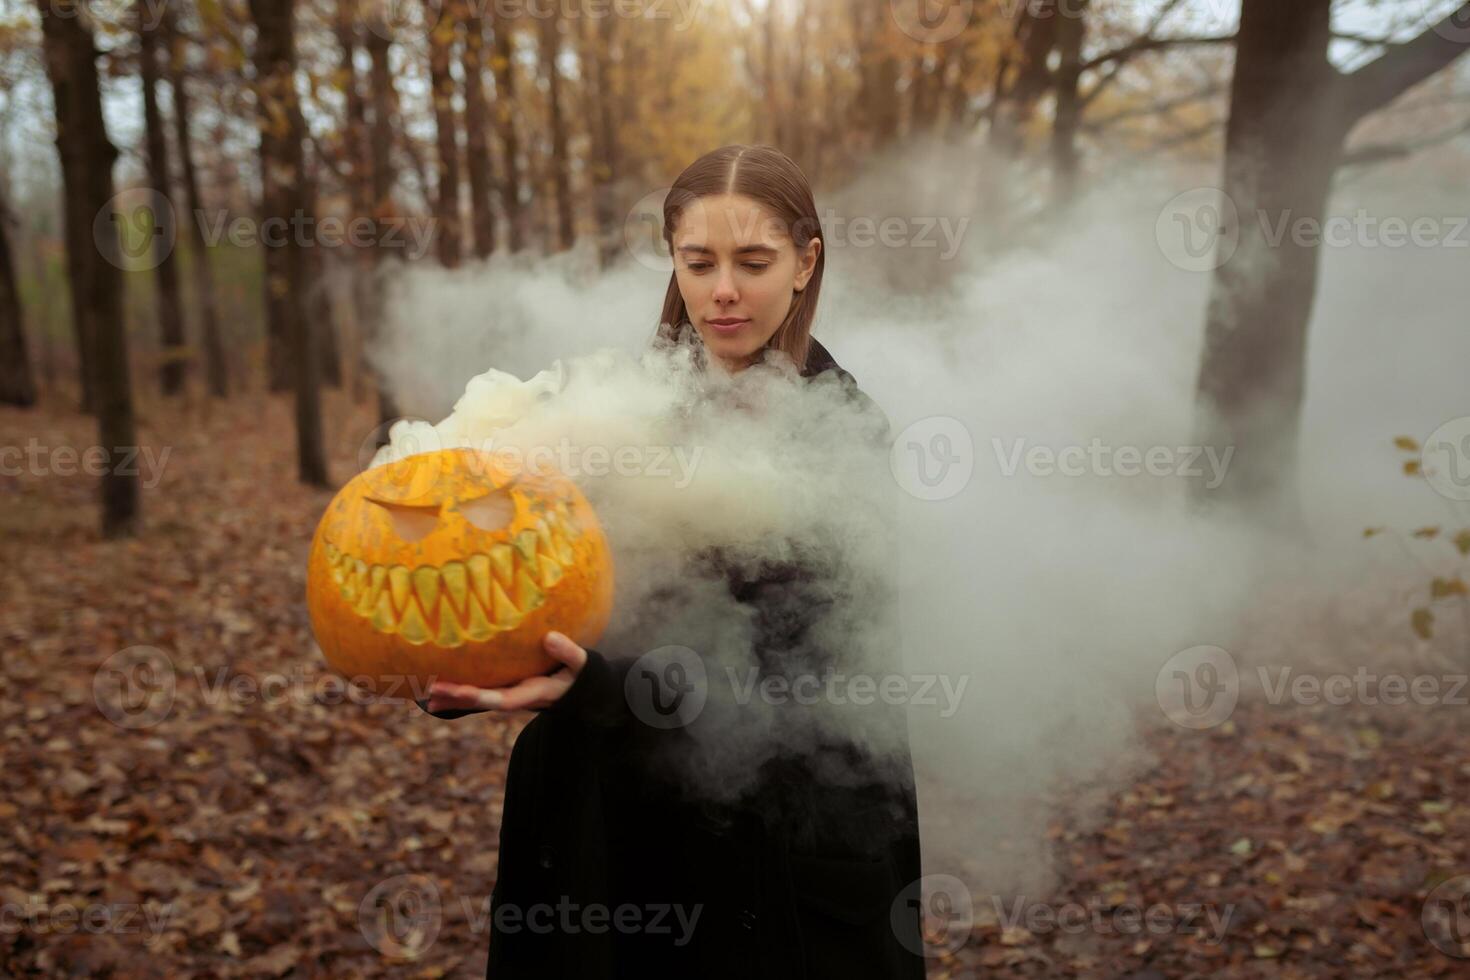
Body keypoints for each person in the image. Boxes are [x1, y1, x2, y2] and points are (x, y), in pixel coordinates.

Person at [419, 145, 926, 979]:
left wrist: (600, 687)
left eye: (753, 263)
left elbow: (806, 688)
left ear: (806, 263)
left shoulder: (846, 436)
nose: (723, 290)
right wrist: (466, 634)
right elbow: (554, 582)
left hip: (770, 857)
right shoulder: (621, 408)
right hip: (608, 837)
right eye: (699, 262)